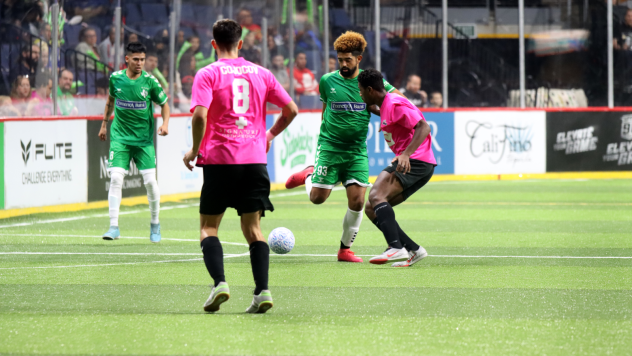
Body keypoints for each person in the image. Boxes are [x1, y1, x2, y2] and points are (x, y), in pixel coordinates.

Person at [182, 19, 298, 314]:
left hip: (221, 161)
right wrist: (269, 136)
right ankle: (262, 291)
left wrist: (194, 150)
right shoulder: (262, 73)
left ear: (212, 44)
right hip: (255, 161)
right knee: (253, 229)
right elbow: (291, 110)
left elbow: (199, 116)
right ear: (241, 43)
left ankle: (220, 283)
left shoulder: (207, 73)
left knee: (209, 228)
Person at [285, 31, 404, 263]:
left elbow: (398, 100)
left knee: (358, 201)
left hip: (357, 150)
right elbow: (325, 110)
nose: (343, 64)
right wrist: (323, 140)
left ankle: (344, 250)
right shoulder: (327, 81)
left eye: (348, 60)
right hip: (330, 148)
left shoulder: (370, 84)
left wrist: (388, 116)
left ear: (359, 59)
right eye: (340, 60)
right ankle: (309, 173)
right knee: (317, 199)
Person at [357, 69, 436, 267]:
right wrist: (366, 108)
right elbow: (383, 113)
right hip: (420, 164)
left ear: (369, 89)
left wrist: (406, 154)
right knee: (371, 208)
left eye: (361, 91)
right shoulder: (386, 104)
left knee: (376, 196)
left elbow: (424, 127)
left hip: (415, 160)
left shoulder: (394, 102)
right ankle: (414, 250)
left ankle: (395, 247)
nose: (360, 94)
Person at [99, 42, 170, 243]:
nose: (140, 63)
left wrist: (165, 123)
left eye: (142, 60)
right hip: (120, 138)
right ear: (127, 59)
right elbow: (110, 101)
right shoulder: (115, 79)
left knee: (150, 183)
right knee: (115, 179)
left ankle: (155, 224)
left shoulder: (150, 82)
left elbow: (164, 105)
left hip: (143, 141)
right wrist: (104, 124)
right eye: (136, 59)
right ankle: (113, 227)